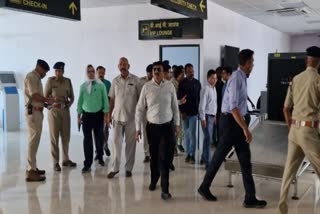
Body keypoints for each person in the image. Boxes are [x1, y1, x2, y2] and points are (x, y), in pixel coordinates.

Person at [198, 49, 267, 209]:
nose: (253, 65)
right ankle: (204, 187)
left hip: (235, 122)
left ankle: (250, 197)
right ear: (247, 63)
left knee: (245, 160)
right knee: (219, 157)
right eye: (252, 62)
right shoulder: (237, 78)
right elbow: (234, 107)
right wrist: (246, 128)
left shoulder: (241, 77)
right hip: (231, 123)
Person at [278, 46, 320, 214]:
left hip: (294, 131)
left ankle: (282, 207)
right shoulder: (317, 79)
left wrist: (291, 127)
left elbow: (285, 108)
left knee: (289, 171)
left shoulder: (295, 79)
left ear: (307, 60)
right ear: (318, 61)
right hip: (309, 132)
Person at [135, 61, 180, 200]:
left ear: (163, 71)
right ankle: (154, 179)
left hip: (167, 127)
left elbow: (175, 107)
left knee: (165, 158)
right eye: (154, 69)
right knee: (154, 157)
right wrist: (138, 129)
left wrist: (177, 125)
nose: (156, 71)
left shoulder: (170, 86)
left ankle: (165, 189)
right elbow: (139, 109)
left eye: (158, 69)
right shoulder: (146, 87)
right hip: (152, 128)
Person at [107, 57, 143, 179]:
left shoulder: (136, 80)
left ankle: (128, 169)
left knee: (130, 145)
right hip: (117, 118)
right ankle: (114, 168)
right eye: (121, 64)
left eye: (125, 64)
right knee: (116, 144)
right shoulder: (115, 81)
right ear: (118, 66)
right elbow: (112, 99)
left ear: (129, 66)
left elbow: (140, 100)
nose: (122, 66)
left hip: (131, 118)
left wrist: (139, 118)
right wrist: (108, 115)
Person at [25, 59, 54, 182]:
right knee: (33, 141)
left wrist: (46, 104)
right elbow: (34, 95)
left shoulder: (36, 78)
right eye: (45, 72)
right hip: (33, 113)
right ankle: (31, 171)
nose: (45, 74)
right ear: (39, 68)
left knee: (35, 141)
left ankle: (32, 168)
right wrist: (47, 100)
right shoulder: (32, 77)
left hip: (38, 111)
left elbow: (38, 98)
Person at [77, 65, 110, 173]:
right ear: (86, 73)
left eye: (92, 71)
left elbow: (105, 100)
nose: (91, 73)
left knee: (99, 137)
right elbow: (80, 101)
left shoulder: (101, 86)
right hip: (86, 116)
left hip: (98, 115)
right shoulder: (83, 86)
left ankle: (100, 156)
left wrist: (106, 115)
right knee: (87, 140)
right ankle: (87, 164)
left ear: (94, 73)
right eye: (88, 71)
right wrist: (78, 116)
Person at [44, 62, 76, 172]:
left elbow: (72, 97)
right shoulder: (50, 81)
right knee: (54, 137)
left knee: (66, 137)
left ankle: (65, 160)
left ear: (63, 71)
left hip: (65, 111)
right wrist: (50, 106)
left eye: (60, 71)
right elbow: (45, 96)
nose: (58, 73)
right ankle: (55, 162)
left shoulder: (68, 81)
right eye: (56, 71)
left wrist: (68, 104)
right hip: (54, 112)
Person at [177, 63, 201, 164]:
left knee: (192, 134)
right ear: (186, 72)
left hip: (194, 113)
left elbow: (199, 98)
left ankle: (192, 155)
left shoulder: (197, 83)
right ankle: (187, 154)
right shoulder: (182, 83)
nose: (192, 72)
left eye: (193, 70)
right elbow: (179, 98)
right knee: (186, 134)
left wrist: (199, 111)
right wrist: (182, 111)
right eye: (190, 71)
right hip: (185, 114)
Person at [199, 70, 218, 169]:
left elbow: (214, 104)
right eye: (212, 78)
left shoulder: (213, 89)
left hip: (211, 116)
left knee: (207, 139)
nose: (214, 80)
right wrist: (203, 119)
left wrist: (215, 116)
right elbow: (202, 105)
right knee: (208, 139)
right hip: (206, 116)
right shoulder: (206, 89)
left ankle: (203, 157)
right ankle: (208, 163)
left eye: (216, 78)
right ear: (208, 78)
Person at [96, 65, 112, 158]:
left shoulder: (108, 83)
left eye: (102, 72)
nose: (101, 74)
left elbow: (110, 98)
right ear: (96, 73)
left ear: (104, 73)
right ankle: (98, 150)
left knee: (105, 130)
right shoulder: (93, 83)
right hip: (95, 111)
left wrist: (109, 112)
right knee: (97, 131)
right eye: (99, 72)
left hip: (105, 111)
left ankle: (105, 146)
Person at [140, 64, 153, 163]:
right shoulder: (140, 81)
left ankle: (153, 153)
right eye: (149, 73)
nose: (151, 75)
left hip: (153, 111)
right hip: (144, 111)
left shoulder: (156, 82)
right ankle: (146, 154)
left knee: (154, 133)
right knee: (145, 133)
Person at [171, 66, 186, 153]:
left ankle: (176, 146)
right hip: (172, 112)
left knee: (178, 130)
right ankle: (173, 148)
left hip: (178, 111)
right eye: (182, 73)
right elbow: (172, 100)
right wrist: (180, 101)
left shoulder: (179, 83)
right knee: (174, 130)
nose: (183, 75)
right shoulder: (172, 83)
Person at [214, 66, 224, 146]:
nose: (220, 74)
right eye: (219, 73)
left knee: (220, 125)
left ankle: (219, 140)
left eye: (222, 73)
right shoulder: (214, 84)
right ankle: (214, 140)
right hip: (215, 107)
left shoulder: (223, 84)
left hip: (221, 107)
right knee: (215, 124)